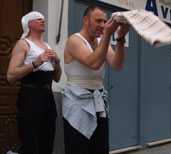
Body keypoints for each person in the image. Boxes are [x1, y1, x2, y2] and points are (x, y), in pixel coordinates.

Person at [62, 5, 130, 154]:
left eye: (104, 21)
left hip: (98, 100)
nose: (102, 25)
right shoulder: (74, 40)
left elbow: (117, 64)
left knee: (100, 148)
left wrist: (120, 38)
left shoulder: (101, 41)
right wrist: (107, 35)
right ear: (86, 20)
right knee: (78, 148)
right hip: (77, 102)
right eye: (98, 21)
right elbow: (93, 63)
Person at [7, 11, 62, 154]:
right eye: (38, 19)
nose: (42, 20)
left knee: (47, 137)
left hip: (48, 96)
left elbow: (57, 78)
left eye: (43, 19)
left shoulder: (48, 46)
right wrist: (34, 64)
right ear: (29, 24)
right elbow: (11, 75)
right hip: (31, 95)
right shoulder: (23, 44)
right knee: (30, 138)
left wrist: (57, 61)